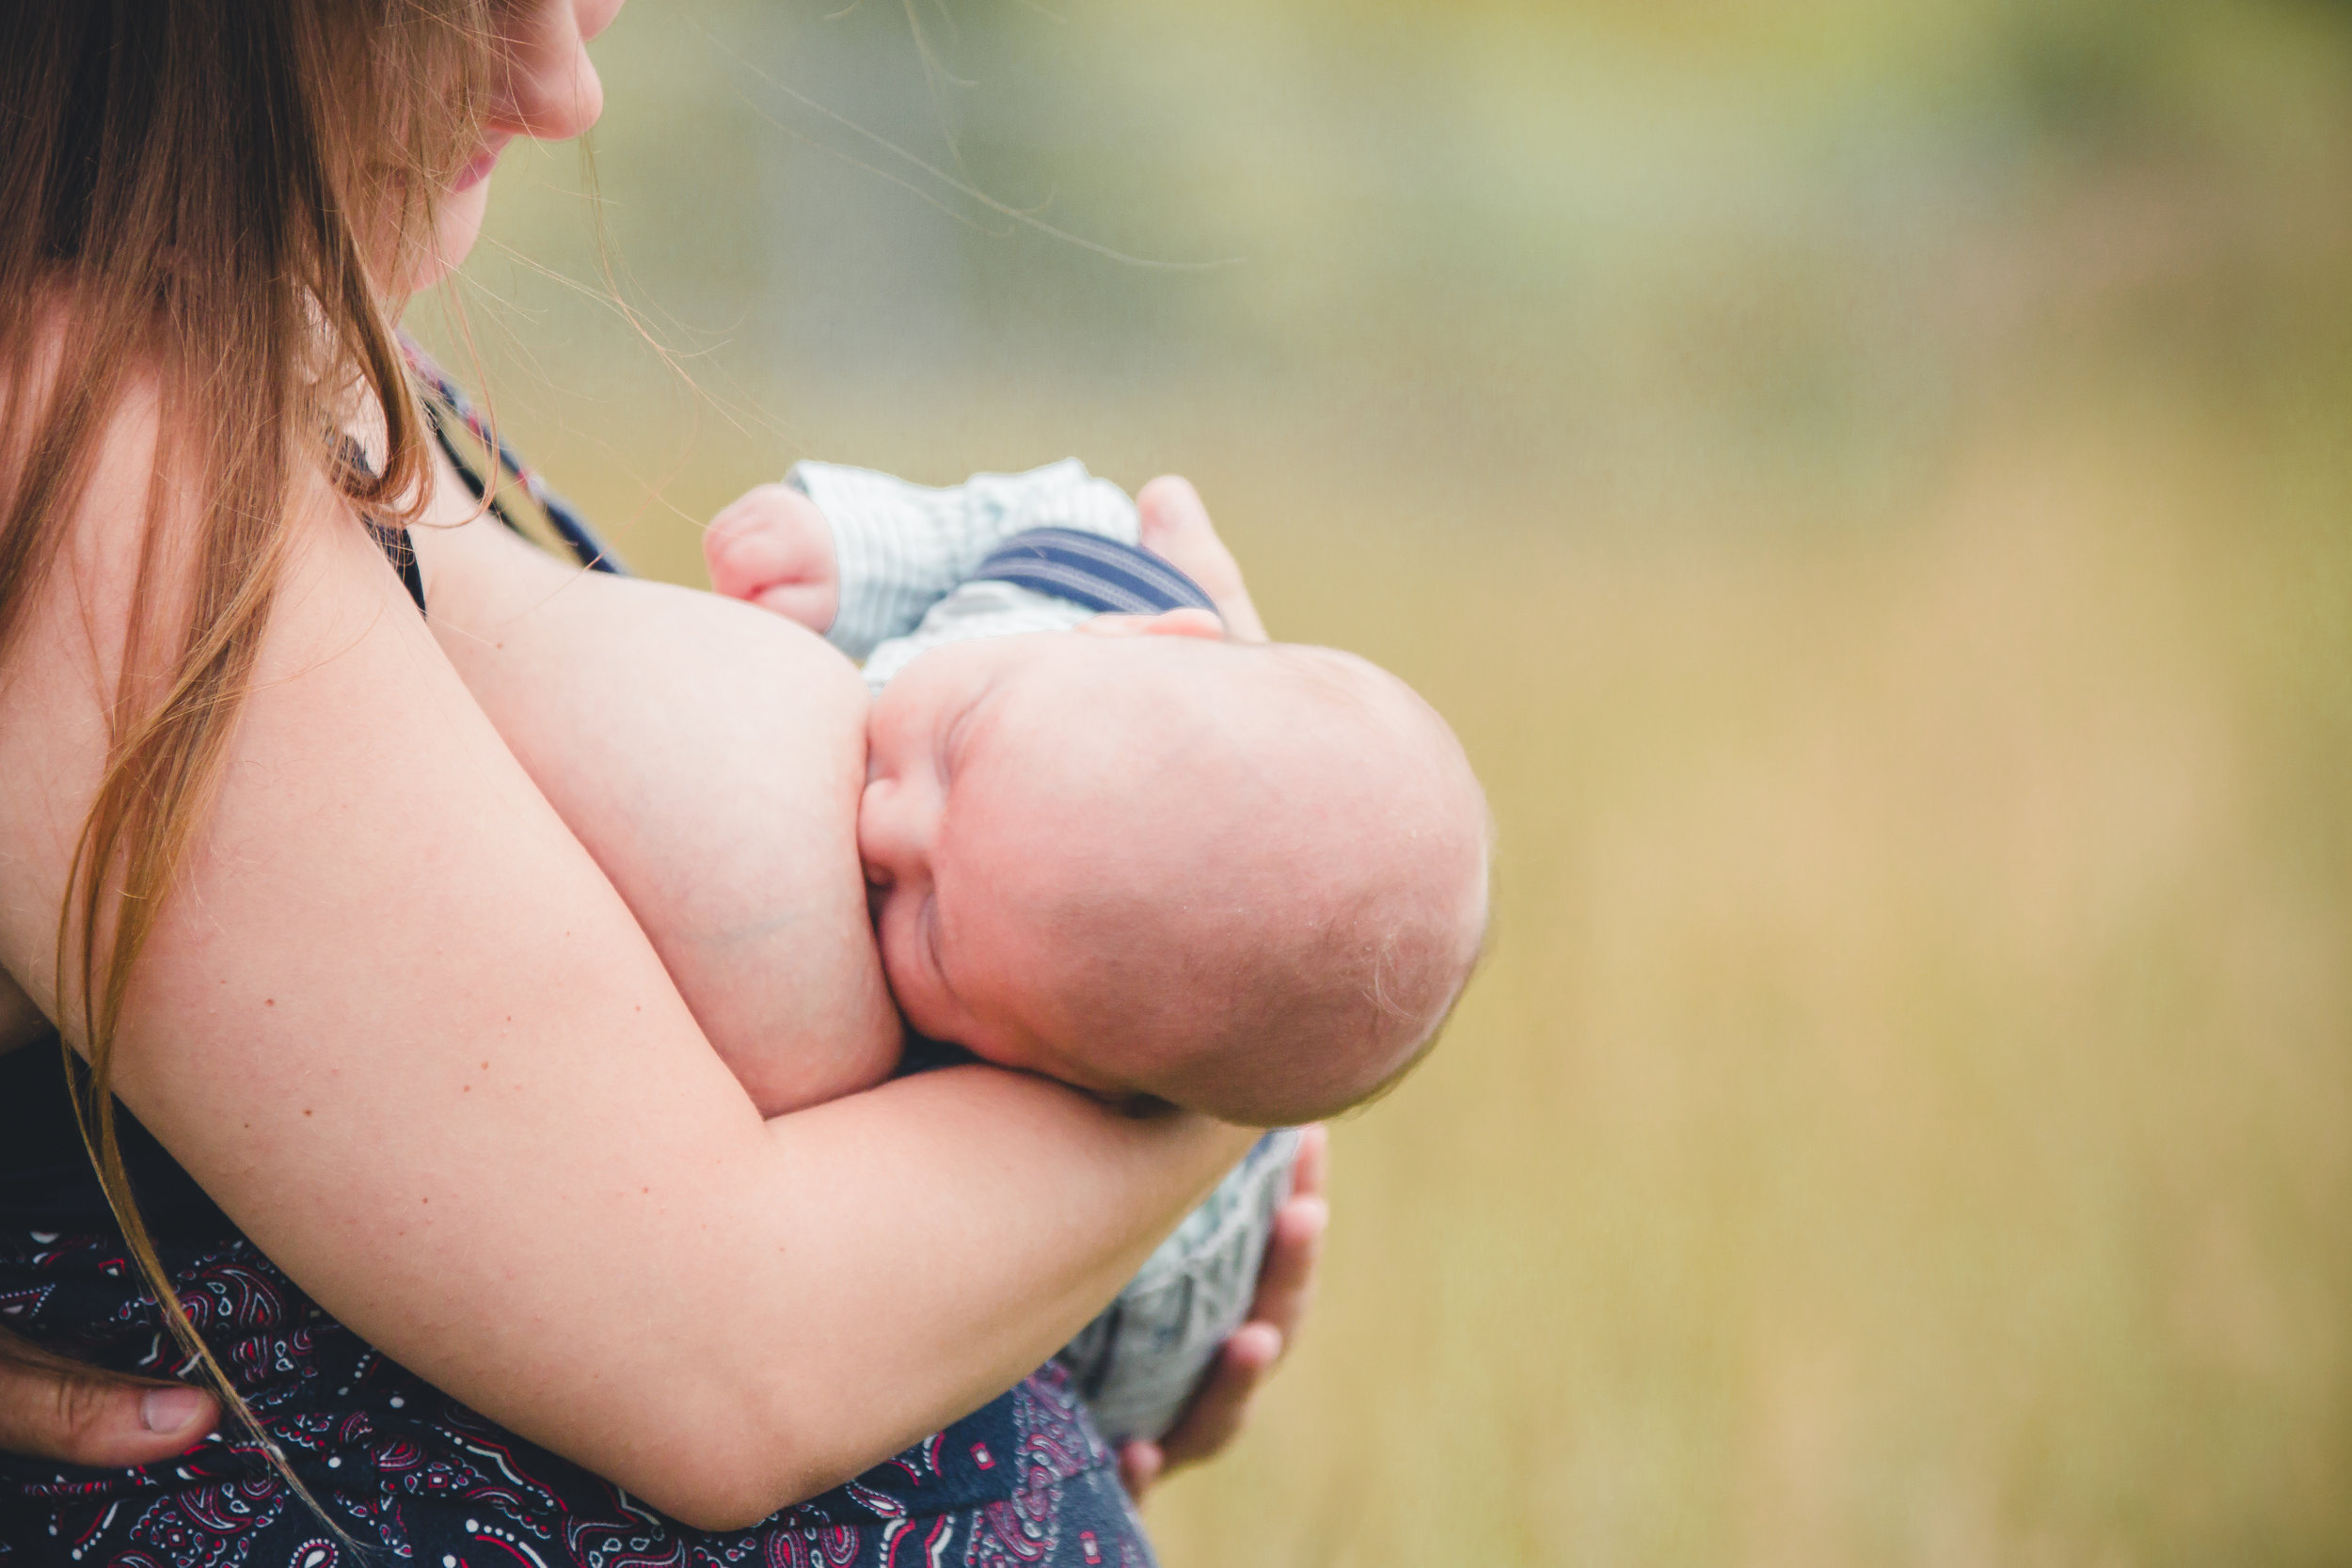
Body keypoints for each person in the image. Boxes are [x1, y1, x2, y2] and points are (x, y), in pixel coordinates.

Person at [0, 3, 1327, 1562]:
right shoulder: (86, 447)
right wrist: (1246, 1037)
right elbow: (737, 1361)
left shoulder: (280, 339)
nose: (566, 92)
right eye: (453, 13)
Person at [407, 454, 1487, 1441]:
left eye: (929, 924)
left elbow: (1137, 1361)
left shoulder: (1055, 1067)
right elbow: (1046, 508)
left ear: (1053, 1078)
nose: (887, 825)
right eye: (963, 749)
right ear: (1144, 633)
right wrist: (855, 549)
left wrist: (1111, 1416)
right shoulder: (1080, 591)